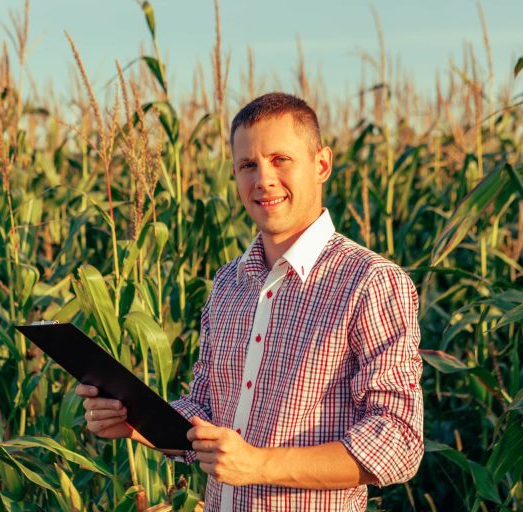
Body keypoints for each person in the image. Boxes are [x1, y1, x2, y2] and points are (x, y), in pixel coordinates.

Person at [76, 92, 423, 511]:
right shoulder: (228, 284)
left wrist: (258, 464)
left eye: (281, 160)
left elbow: (399, 441)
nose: (263, 180)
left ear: (322, 164)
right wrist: (133, 419)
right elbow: (206, 410)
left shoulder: (370, 283)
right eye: (247, 166)